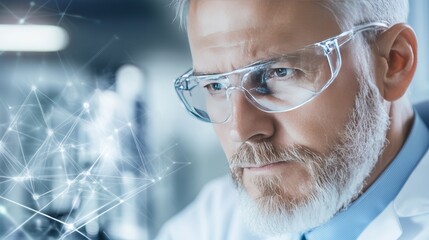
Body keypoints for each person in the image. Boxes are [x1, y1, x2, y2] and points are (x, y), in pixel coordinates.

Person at [157, 0, 429, 239]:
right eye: (215, 86)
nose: (240, 130)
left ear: (394, 63)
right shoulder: (210, 223)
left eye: (280, 72)